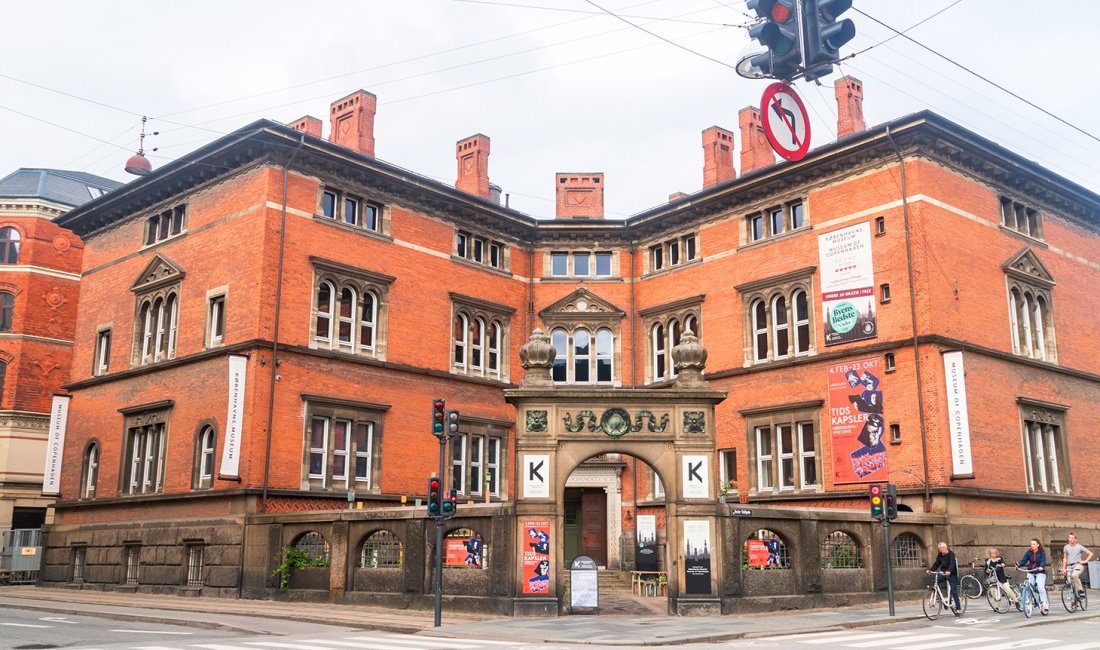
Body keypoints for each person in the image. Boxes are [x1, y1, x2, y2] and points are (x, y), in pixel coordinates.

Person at [928, 541, 962, 615]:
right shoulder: (940, 555)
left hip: (952, 573)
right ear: (939, 549)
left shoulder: (951, 554)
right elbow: (937, 563)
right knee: (936, 582)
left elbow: (952, 563)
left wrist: (949, 571)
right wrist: (930, 570)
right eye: (940, 548)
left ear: (946, 547)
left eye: (943, 547)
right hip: (943, 573)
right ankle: (942, 600)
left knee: (954, 591)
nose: (942, 549)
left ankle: (958, 608)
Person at [1017, 538, 1049, 613]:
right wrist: (1018, 564)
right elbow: (1024, 561)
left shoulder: (1042, 552)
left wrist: (1041, 566)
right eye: (1031, 544)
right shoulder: (1029, 552)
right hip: (1031, 571)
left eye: (1034, 544)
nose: (1032, 545)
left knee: (1040, 587)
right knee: (1029, 587)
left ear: (1038, 545)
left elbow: (1043, 561)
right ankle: (1030, 602)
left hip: (1039, 572)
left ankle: (1044, 603)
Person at [1062, 533, 1094, 597]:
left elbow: (1090, 553)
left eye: (1072, 538)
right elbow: (1065, 558)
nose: (1071, 539)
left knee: (1074, 575)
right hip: (1069, 566)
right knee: (1070, 582)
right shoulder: (1066, 547)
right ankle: (1074, 600)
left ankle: (1080, 591)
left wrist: (1085, 561)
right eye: (1069, 538)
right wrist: (1064, 568)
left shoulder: (1079, 547)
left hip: (1078, 565)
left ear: (1075, 539)